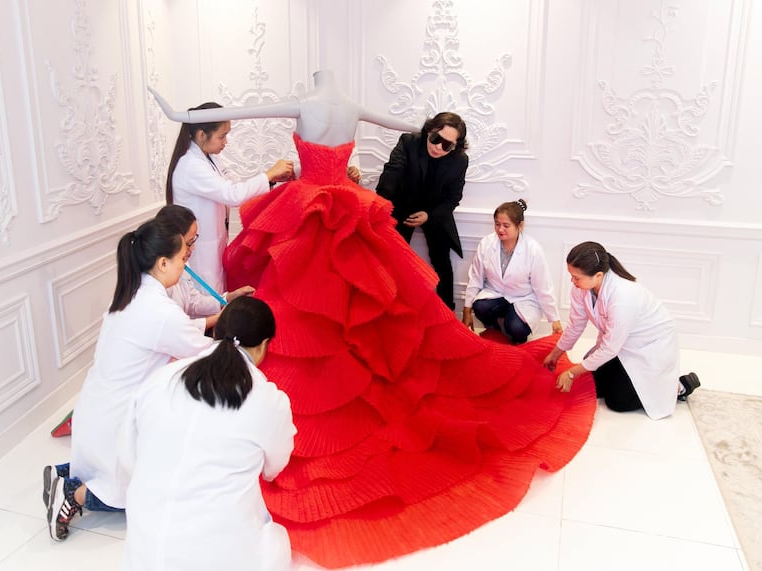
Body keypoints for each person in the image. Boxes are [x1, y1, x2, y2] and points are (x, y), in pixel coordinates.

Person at [150, 70, 596, 568]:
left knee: (313, 305)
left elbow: (244, 113)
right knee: (360, 306)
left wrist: (182, 115)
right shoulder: (352, 105)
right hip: (340, 202)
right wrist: (422, 124)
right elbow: (402, 121)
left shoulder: (307, 103)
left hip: (313, 205)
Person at [43, 218, 213, 541]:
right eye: (181, 257)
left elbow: (182, 334)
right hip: (116, 422)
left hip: (96, 411)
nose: (185, 262)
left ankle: (63, 472)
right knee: (134, 497)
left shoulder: (130, 295)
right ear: (163, 263)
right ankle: (70, 493)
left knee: (109, 467)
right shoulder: (159, 310)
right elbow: (202, 351)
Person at [120, 296, 296, 571]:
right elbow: (274, 467)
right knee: (276, 542)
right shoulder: (268, 401)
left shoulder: (162, 379)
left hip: (144, 551)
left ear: (215, 332)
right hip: (217, 555)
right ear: (263, 347)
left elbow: (129, 455)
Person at [543, 241, 700, 420]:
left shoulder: (623, 296)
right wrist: (556, 354)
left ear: (598, 275)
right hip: (621, 344)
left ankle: (678, 386)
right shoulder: (581, 289)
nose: (572, 281)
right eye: (571, 275)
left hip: (649, 348)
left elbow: (610, 348)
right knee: (592, 385)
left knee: (618, 402)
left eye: (576, 277)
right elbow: (575, 325)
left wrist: (572, 372)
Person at [164, 100, 295, 293]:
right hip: (200, 252)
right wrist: (268, 174)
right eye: (222, 136)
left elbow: (237, 186)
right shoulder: (190, 165)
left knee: (216, 298)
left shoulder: (211, 159)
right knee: (205, 300)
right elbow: (232, 195)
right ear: (202, 135)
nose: (226, 142)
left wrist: (273, 178)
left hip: (213, 247)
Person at [376, 111, 468, 309]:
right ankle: (392, 310)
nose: (438, 147)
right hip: (403, 207)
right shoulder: (409, 142)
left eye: (447, 145)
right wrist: (381, 203)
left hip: (435, 212)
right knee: (394, 260)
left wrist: (429, 215)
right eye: (436, 138)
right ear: (429, 130)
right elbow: (392, 173)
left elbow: (453, 198)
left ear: (456, 146)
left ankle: (447, 313)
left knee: (442, 262)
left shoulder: (460, 160)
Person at [462, 199, 562, 344]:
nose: (500, 229)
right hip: (495, 293)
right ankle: (495, 331)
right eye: (497, 224)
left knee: (516, 328)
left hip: (523, 298)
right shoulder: (486, 243)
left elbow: (543, 286)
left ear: (520, 226)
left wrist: (555, 319)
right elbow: (475, 277)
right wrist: (466, 310)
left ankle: (516, 339)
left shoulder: (532, 249)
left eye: (506, 225)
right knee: (480, 307)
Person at [155, 204, 255, 330]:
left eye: (194, 240)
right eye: (189, 243)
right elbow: (176, 329)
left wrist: (229, 298)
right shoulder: (157, 284)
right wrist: (219, 317)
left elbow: (193, 301)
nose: (192, 248)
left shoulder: (180, 263)